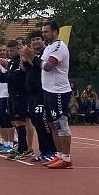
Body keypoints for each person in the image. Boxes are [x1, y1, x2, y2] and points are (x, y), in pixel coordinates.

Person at [38, 21, 74, 169]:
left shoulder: (59, 47)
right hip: (48, 91)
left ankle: (66, 158)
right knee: (52, 124)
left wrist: (34, 59)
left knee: (61, 124)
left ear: (55, 32)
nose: (43, 34)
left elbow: (48, 67)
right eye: (43, 32)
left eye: (46, 32)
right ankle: (58, 155)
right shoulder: (48, 48)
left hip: (59, 92)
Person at [0, 40, 32, 159]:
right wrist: (2, 73)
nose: (9, 53)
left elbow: (14, 77)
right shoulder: (12, 62)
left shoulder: (21, 60)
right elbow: (8, 77)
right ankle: (21, 146)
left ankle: (24, 148)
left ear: (18, 48)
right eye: (8, 50)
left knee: (21, 120)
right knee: (15, 121)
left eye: (11, 50)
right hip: (12, 94)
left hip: (21, 94)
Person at [21, 31, 57, 162]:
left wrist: (30, 59)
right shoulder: (32, 54)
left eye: (38, 39)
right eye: (33, 40)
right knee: (37, 122)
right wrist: (25, 60)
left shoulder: (45, 53)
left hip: (42, 92)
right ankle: (44, 151)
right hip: (31, 93)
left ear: (42, 40)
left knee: (44, 122)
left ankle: (51, 150)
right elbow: (25, 69)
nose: (35, 42)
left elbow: (44, 67)